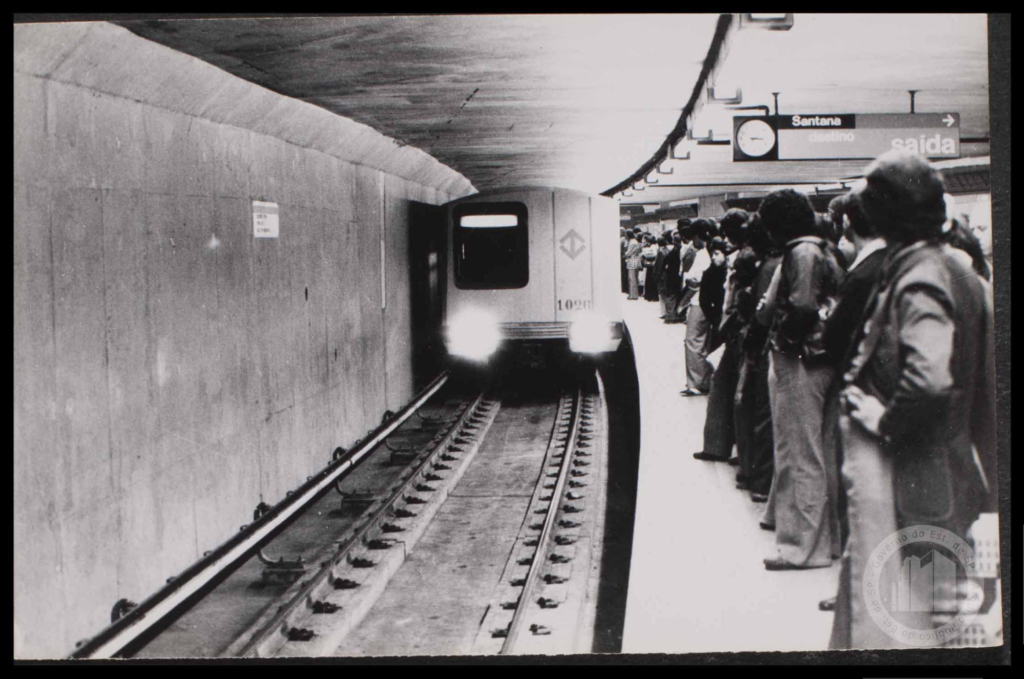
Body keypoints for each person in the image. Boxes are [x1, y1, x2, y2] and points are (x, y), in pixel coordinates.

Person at [830, 151, 996, 649]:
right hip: (944, 468)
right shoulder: (954, 269)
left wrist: (885, 421)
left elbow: (927, 377)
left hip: (921, 476)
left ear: (882, 216)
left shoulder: (919, 278)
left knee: (922, 621)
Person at [760, 189, 845, 571]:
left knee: (798, 453)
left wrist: (786, 340)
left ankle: (800, 548)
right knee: (820, 451)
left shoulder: (801, 252)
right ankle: (829, 541)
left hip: (801, 362)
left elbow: (803, 306)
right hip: (826, 361)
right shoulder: (826, 248)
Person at [815, 186, 889, 613]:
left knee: (856, 493)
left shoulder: (863, 273)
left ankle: (855, 588)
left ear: (848, 224)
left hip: (861, 397)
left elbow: (837, 336)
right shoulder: (898, 266)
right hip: (884, 400)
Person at [693, 209, 752, 461]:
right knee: (728, 388)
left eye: (728, 234)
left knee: (735, 390)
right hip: (734, 330)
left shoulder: (744, 257)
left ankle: (731, 449)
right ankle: (728, 447)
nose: (725, 240)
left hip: (738, 332)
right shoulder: (741, 255)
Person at [734, 214, 782, 504]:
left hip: (763, 350)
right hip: (769, 348)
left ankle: (759, 479)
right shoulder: (776, 263)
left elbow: (760, 315)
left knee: (760, 414)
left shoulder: (768, 267)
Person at [679, 220, 715, 394]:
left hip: (698, 302)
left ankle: (697, 383)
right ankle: (704, 379)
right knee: (704, 341)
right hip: (708, 303)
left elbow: (694, 279)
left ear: (699, 236)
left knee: (693, 341)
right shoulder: (713, 251)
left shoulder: (703, 254)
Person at [624, 231, 643, 300]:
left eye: (626, 235)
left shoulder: (632, 242)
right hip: (635, 261)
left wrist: (625, 254)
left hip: (632, 261)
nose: (625, 236)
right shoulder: (634, 241)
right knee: (633, 278)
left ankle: (633, 295)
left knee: (632, 279)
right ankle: (633, 294)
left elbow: (629, 253)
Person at [643, 234, 661, 302]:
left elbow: (654, 255)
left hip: (651, 265)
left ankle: (650, 296)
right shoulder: (656, 246)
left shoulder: (653, 247)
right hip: (653, 265)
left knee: (650, 280)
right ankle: (653, 296)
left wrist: (646, 255)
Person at [620, 228, 629, 293]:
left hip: (622, 258)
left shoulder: (621, 240)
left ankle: (623, 288)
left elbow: (619, 250)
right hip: (626, 258)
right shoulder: (626, 239)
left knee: (623, 274)